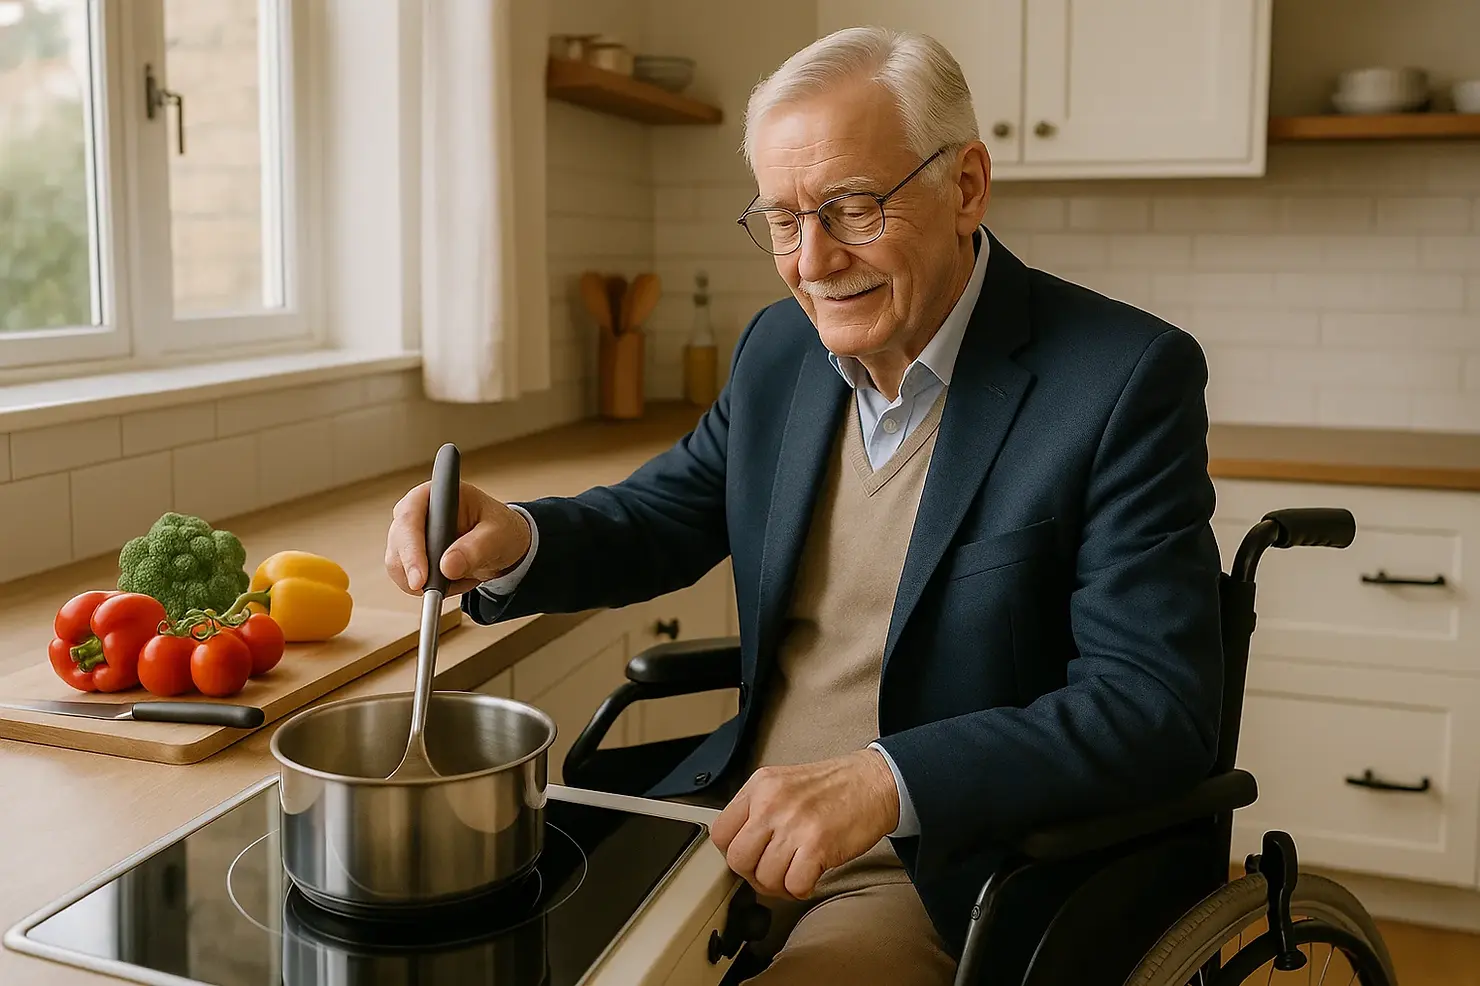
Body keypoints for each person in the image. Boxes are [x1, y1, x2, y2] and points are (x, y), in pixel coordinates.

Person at [385, 25, 1224, 986]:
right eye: (784, 220)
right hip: (731, 824)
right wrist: (518, 538)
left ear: (967, 186)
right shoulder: (780, 351)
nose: (813, 262)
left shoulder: (1121, 380)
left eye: (852, 208)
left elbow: (1154, 706)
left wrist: (882, 780)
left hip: (929, 872)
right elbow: (663, 514)